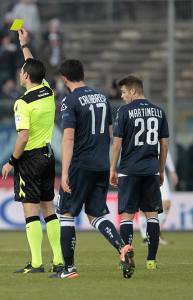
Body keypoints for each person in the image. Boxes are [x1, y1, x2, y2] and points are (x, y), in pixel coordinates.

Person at [50, 59, 134, 279]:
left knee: (66, 214)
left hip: (80, 163)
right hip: (101, 163)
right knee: (96, 213)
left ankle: (69, 269)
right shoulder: (102, 98)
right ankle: (122, 247)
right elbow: (109, 133)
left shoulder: (70, 100)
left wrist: (66, 171)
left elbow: (68, 140)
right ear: (84, 75)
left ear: (64, 79)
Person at [2, 28, 63, 274]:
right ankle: (59, 260)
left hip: (30, 159)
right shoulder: (48, 90)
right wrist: (24, 44)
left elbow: (23, 137)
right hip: (49, 156)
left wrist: (11, 162)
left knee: (30, 210)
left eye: (21, 72)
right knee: (49, 209)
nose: (20, 74)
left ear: (25, 75)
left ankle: (37, 263)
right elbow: (33, 66)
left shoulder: (23, 102)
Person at [110, 74, 169, 270]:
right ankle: (151, 261)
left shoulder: (124, 111)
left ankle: (126, 257)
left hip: (129, 170)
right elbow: (164, 145)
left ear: (133, 91)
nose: (123, 96)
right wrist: (160, 171)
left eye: (124, 92)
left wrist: (113, 169)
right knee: (152, 215)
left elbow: (117, 143)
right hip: (151, 170)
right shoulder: (160, 112)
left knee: (128, 215)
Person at [139, 147, 178, 246]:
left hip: (158, 171)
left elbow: (164, 149)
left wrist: (172, 170)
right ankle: (145, 237)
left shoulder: (157, 133)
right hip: (142, 170)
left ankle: (154, 234)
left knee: (166, 203)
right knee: (143, 206)